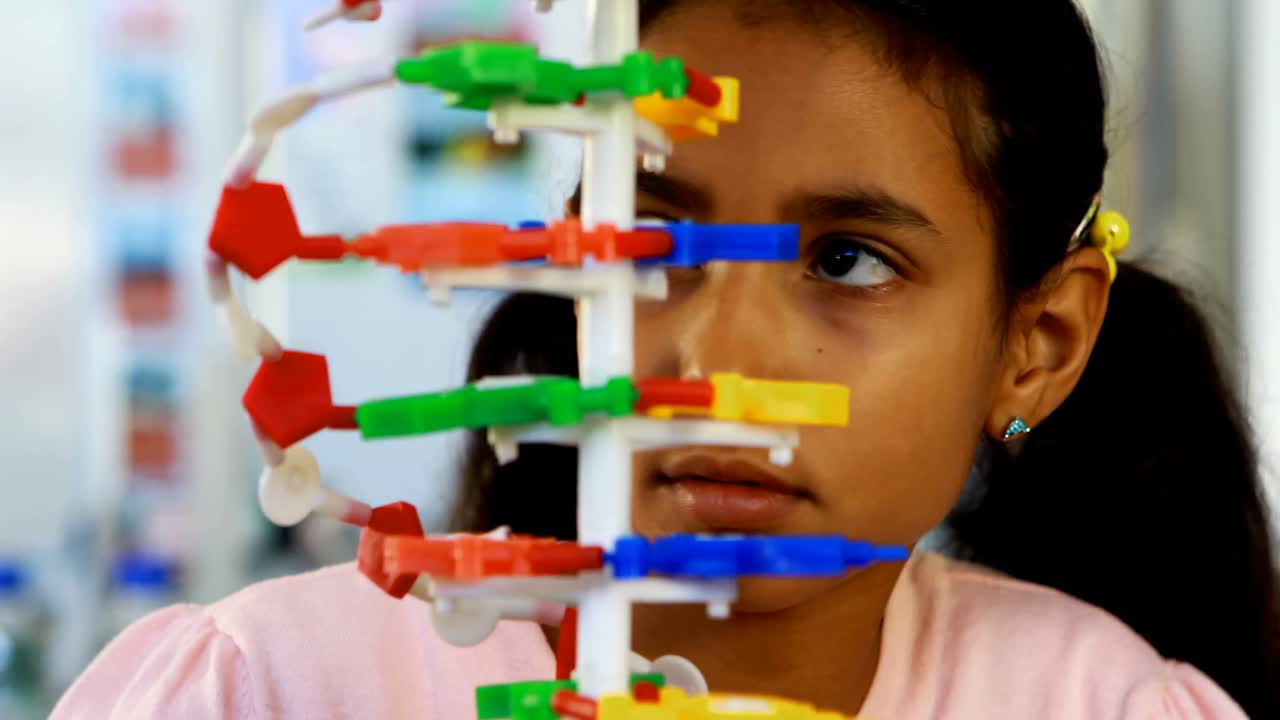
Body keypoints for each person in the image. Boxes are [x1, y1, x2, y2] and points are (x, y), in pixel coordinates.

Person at [54, 1, 1280, 718]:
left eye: (848, 261)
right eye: (647, 241)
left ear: (1036, 347)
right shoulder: (264, 691)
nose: (714, 352)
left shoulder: (1101, 705)